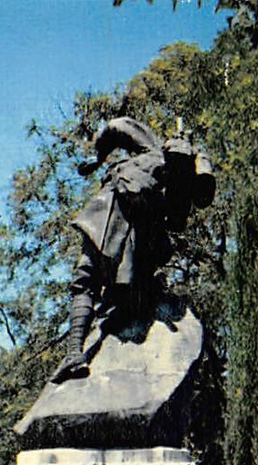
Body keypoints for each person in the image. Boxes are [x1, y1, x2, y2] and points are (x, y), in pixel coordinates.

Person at [50, 118, 215, 383]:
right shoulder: (175, 188)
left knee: (85, 281)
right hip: (129, 226)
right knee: (98, 283)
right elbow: (179, 218)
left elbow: (117, 126)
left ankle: (74, 353)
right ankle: (76, 353)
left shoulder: (152, 153)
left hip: (114, 214)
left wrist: (98, 158)